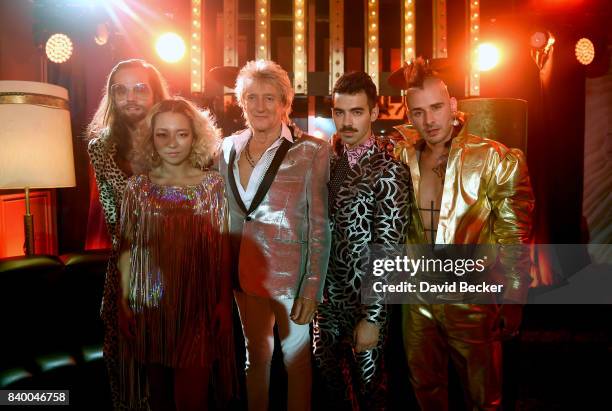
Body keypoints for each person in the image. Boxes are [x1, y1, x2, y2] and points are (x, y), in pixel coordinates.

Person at [392, 58, 535, 410]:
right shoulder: (399, 155)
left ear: (453, 105)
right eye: (419, 111)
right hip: (417, 296)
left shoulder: (493, 159)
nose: (430, 120)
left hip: (471, 296)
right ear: (408, 113)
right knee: (425, 388)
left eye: (437, 107)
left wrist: (515, 295)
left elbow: (513, 232)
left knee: (484, 396)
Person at [218, 59, 331, 411]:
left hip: (290, 278)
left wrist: (312, 288)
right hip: (241, 273)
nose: (260, 106)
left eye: (270, 98)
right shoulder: (226, 148)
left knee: (295, 362)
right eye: (252, 97)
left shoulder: (312, 150)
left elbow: (319, 225)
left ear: (285, 104)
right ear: (242, 103)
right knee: (255, 358)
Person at [116, 97, 235, 411]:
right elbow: (127, 248)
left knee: (192, 399)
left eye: (181, 134)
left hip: (198, 305)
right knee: (158, 399)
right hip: (149, 305)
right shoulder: (136, 188)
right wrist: (123, 302)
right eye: (162, 134)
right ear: (150, 139)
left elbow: (222, 247)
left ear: (195, 136)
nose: (172, 143)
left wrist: (223, 300)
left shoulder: (213, 186)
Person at [312, 71, 412, 410]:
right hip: (327, 301)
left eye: (357, 112)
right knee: (331, 389)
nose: (347, 121)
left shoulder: (389, 169)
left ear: (374, 112)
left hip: (367, 301)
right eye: (340, 112)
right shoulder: (329, 161)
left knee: (372, 393)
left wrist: (372, 318)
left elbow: (389, 248)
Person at [87, 58, 171, 409]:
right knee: (127, 370)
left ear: (155, 93)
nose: (130, 97)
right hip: (127, 268)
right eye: (120, 90)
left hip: (177, 267)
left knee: (172, 371)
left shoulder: (175, 137)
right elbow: (115, 218)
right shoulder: (101, 148)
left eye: (140, 88)